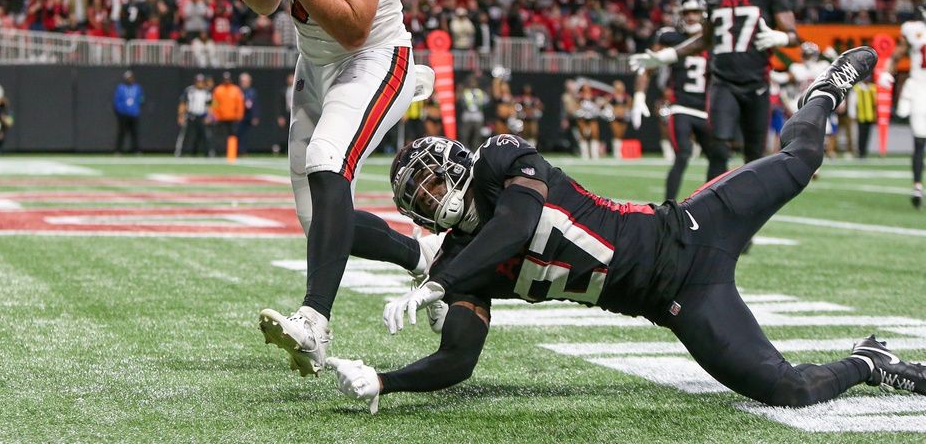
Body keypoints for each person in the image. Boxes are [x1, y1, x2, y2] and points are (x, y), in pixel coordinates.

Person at [328, 47, 926, 414]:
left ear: (459, 163)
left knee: (801, 161)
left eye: (436, 181)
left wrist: (439, 278)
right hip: (680, 300)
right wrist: (387, 379)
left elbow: (517, 224)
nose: (437, 197)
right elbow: (457, 358)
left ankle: (824, 92)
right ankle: (871, 363)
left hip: (690, 225)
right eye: (423, 198)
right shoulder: (463, 264)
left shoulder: (499, 162)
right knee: (784, 389)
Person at [233, 0, 433, 376]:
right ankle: (426, 253)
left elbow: (352, 27)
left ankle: (314, 323)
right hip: (313, 62)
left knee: (327, 162)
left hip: (374, 56)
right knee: (320, 223)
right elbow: (262, 5)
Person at [632, 0, 799, 176]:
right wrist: (666, 56)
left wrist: (782, 37)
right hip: (723, 82)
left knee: (755, 154)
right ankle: (713, 209)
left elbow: (795, 36)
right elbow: (704, 40)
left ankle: (752, 209)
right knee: (718, 148)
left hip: (757, 82)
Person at [634, 0, 722, 200]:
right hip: (680, 106)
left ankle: (712, 205)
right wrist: (639, 96)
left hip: (706, 109)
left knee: (718, 157)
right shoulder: (670, 37)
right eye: (687, 12)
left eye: (696, 12)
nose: (691, 16)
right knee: (683, 153)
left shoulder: (715, 39)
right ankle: (669, 207)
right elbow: (647, 67)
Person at [881, 0, 926, 207]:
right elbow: (898, 53)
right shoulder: (914, 30)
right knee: (919, 139)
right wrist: (886, 71)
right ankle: (917, 185)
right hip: (920, 88)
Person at [175, 74, 212, 157]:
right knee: (185, 135)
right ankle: (180, 152)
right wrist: (181, 115)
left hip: (202, 116)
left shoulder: (207, 92)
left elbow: (211, 105)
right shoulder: (189, 90)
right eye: (198, 82)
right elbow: (183, 103)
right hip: (191, 115)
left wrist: (209, 116)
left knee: (206, 135)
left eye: (201, 82)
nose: (200, 84)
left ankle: (208, 153)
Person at [210, 72, 244, 156]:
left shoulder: (236, 89)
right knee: (220, 137)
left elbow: (240, 103)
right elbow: (214, 104)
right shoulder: (218, 90)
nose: (227, 81)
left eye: (228, 79)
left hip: (232, 117)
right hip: (220, 118)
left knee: (233, 136)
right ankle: (219, 152)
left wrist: (239, 114)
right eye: (225, 79)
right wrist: (214, 115)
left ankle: (232, 153)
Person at [113, 70, 144, 154]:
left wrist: (138, 107)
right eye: (128, 78)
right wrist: (120, 110)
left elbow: (141, 98)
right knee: (121, 132)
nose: (129, 79)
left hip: (134, 114)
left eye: (130, 77)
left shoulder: (137, 87)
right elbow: (117, 100)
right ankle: (118, 150)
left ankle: (136, 150)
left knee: (134, 133)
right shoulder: (121, 88)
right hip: (123, 114)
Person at [235, 72, 260, 154]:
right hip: (237, 116)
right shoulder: (236, 91)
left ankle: (243, 151)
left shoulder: (252, 92)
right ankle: (236, 150)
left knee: (245, 135)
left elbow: (255, 105)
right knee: (237, 134)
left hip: (247, 116)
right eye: (243, 81)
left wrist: (255, 116)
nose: (244, 83)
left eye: (246, 81)